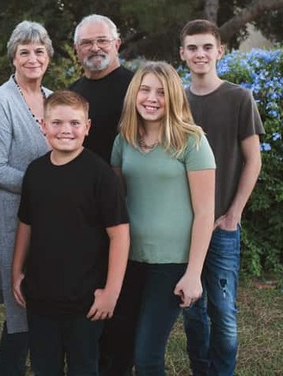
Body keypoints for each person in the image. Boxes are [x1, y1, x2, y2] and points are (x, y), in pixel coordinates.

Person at [106, 61, 216, 376]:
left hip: (171, 264)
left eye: (161, 92)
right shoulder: (124, 140)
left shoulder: (192, 141)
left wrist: (194, 273)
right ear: (134, 94)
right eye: (145, 90)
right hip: (128, 260)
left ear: (174, 97)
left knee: (147, 358)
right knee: (117, 354)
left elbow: (205, 213)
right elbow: (117, 202)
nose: (151, 98)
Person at [11, 91, 130, 375]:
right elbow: (26, 224)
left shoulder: (101, 175)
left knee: (83, 366)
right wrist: (16, 272)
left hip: (85, 300)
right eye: (57, 123)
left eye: (75, 123)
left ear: (87, 127)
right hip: (40, 297)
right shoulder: (35, 172)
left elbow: (120, 235)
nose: (66, 130)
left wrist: (111, 292)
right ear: (43, 125)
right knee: (44, 367)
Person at [179, 20, 264, 376]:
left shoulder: (239, 98)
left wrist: (233, 214)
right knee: (192, 311)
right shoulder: (176, 101)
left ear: (220, 51)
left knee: (224, 312)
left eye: (206, 47)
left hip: (222, 226)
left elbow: (253, 160)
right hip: (184, 227)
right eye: (192, 48)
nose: (200, 54)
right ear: (182, 53)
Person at [0, 20, 54, 375]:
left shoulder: (53, 98)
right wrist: (46, 185)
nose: (32, 58)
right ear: (13, 58)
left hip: (50, 218)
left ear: (48, 57)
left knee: (43, 300)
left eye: (39, 51)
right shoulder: (1, 100)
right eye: (24, 52)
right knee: (20, 307)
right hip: (13, 217)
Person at [69, 14, 134, 163]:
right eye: (86, 43)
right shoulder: (71, 95)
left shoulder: (138, 88)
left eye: (102, 41)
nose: (95, 48)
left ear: (117, 44)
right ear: (76, 48)